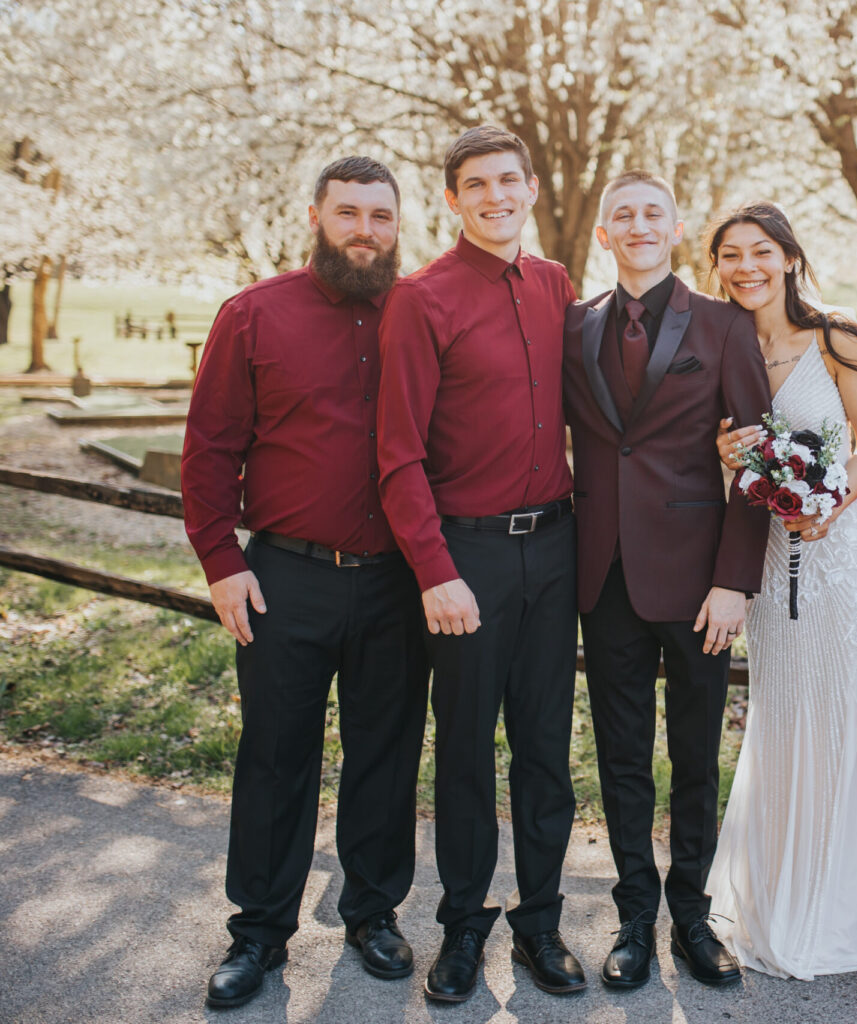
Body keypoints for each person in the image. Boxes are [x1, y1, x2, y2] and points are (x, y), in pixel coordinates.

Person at [183, 156, 428, 1010]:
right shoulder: (255, 314)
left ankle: (372, 913)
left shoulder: (420, 311)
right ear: (317, 216)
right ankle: (257, 934)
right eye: (349, 213)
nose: (366, 230)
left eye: (381, 216)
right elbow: (210, 449)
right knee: (276, 758)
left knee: (386, 757)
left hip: (399, 582)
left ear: (401, 225)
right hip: (284, 578)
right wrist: (221, 561)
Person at [376, 126, 583, 1002]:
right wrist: (434, 569)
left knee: (543, 747)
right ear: (453, 199)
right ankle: (463, 928)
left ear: (531, 188)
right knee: (464, 749)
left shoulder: (554, 285)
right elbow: (397, 454)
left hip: (557, 547)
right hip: (466, 557)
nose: (494, 196)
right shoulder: (421, 299)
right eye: (475, 184)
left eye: (508, 180)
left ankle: (540, 924)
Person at [561, 171, 772, 990]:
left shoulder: (723, 325)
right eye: (623, 215)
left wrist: (734, 580)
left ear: (676, 227)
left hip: (697, 582)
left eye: (652, 212)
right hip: (603, 573)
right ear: (605, 235)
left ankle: (691, 916)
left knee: (692, 753)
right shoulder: (575, 326)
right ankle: (631, 920)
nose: (638, 224)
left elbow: (757, 464)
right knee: (620, 756)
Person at [704, 202, 857, 978]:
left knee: (837, 711)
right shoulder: (721, 342)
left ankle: (833, 908)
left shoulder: (838, 336)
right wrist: (722, 450)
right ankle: (770, 897)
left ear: (787, 256)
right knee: (780, 716)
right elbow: (717, 457)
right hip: (764, 553)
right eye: (729, 255)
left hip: (836, 552)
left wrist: (826, 506)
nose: (746, 267)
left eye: (760, 252)